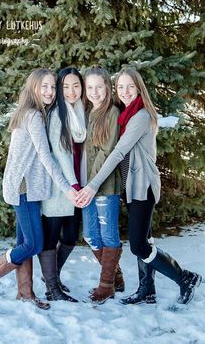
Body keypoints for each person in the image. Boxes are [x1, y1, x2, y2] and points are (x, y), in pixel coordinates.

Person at [77, 67, 202, 305]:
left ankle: (184, 277)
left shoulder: (141, 116)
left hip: (143, 187)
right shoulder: (126, 115)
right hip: (133, 187)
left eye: (130, 86)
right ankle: (147, 290)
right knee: (147, 239)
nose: (124, 91)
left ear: (139, 88)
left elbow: (118, 152)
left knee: (139, 245)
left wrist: (92, 186)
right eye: (120, 87)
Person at [0, 68, 78, 310]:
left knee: (24, 241)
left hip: (24, 186)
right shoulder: (34, 117)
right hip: (24, 188)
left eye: (52, 87)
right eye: (45, 87)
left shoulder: (29, 113)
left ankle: (25, 293)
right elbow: (46, 157)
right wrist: (68, 188)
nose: (50, 91)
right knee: (33, 245)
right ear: (33, 88)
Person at [38, 67, 86, 302]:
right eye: (65, 86)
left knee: (70, 236)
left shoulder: (79, 111)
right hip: (59, 186)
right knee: (52, 235)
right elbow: (60, 151)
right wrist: (73, 185)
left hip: (76, 183)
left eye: (75, 85)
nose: (71, 91)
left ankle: (51, 278)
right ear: (59, 87)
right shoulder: (58, 113)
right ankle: (52, 288)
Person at [81, 66, 125, 304]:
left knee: (108, 233)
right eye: (90, 87)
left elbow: (106, 152)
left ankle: (106, 284)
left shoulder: (112, 113)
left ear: (108, 88)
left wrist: (92, 184)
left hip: (105, 186)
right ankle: (115, 274)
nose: (95, 92)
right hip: (87, 186)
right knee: (89, 234)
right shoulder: (88, 112)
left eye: (99, 86)